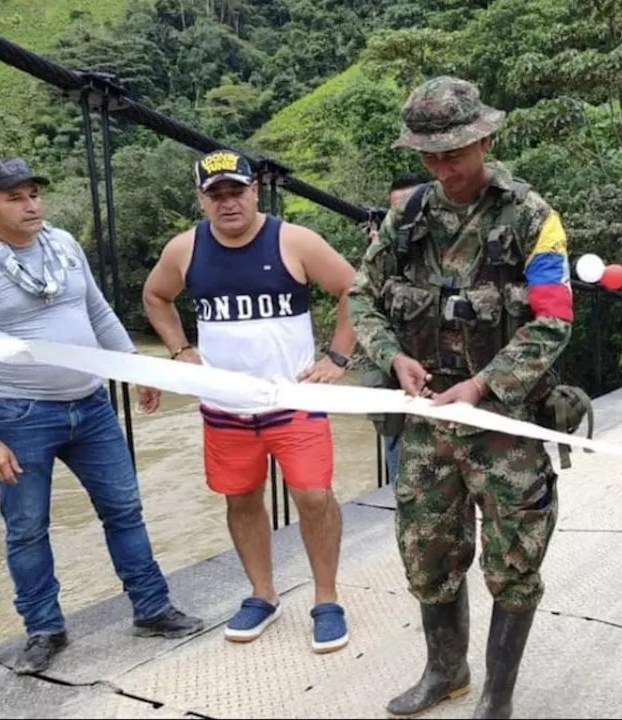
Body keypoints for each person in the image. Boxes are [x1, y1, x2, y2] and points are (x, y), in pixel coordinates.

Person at [346, 75, 572, 719]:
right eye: (428, 154)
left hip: (505, 422)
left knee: (514, 561)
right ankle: (446, 672)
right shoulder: (408, 215)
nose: (441, 167)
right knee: (426, 552)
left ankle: (497, 697)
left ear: (486, 138)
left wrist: (483, 384)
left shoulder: (531, 216)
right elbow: (362, 294)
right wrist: (392, 356)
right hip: (425, 422)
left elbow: (553, 319)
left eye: (453, 152)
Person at [0, 158, 204, 675]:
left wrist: (134, 367)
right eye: (14, 197)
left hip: (92, 406)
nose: (31, 204)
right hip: (19, 414)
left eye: (33, 193)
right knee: (28, 528)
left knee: (125, 509)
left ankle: (152, 608)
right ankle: (43, 629)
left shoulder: (63, 246)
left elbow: (98, 312)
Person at [141, 150, 357, 651]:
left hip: (294, 398)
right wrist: (181, 349)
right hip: (225, 408)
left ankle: (326, 600)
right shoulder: (185, 250)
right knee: (240, 499)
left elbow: (353, 289)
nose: (228, 202)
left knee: (314, 497)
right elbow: (156, 296)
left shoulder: (293, 241)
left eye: (236, 190)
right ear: (201, 200)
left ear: (255, 190)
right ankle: (262, 595)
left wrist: (338, 359)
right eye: (215, 194)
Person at [368, 172, 430, 484]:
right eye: (398, 211)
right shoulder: (382, 257)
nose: (408, 218)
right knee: (404, 488)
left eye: (416, 206)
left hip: (458, 389)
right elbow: (361, 307)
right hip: (398, 386)